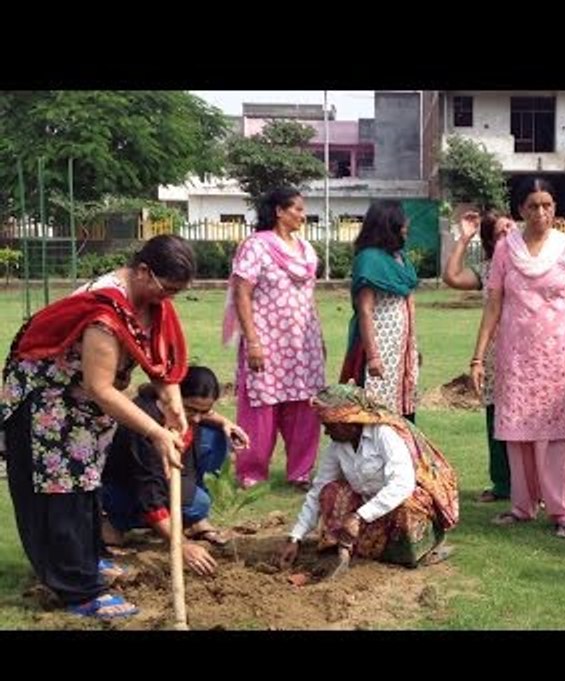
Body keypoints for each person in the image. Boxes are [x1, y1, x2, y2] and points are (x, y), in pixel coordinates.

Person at [0, 234, 193, 620]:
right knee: (60, 492)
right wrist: (155, 432)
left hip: (84, 408)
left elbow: (159, 354)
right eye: (165, 289)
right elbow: (101, 388)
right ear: (142, 271)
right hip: (49, 402)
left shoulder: (151, 299)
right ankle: (77, 587)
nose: (168, 299)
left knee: (86, 484)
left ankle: (89, 558)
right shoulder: (105, 312)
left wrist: (172, 404)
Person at [470, 177, 565, 538]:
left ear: (555, 208)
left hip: (556, 355)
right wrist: (478, 358)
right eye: (533, 206)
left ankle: (563, 511)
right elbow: (493, 305)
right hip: (516, 355)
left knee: (557, 433)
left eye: (547, 205)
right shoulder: (507, 249)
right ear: (520, 210)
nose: (541, 213)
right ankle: (522, 506)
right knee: (518, 431)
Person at [276, 384, 458, 573]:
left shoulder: (385, 435)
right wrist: (295, 537)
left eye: (330, 425)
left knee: (408, 506)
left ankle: (421, 551)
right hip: (366, 507)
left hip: (397, 506)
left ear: (350, 421)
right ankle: (351, 548)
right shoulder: (337, 447)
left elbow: (402, 485)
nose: (327, 432)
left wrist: (359, 516)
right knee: (331, 492)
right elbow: (317, 491)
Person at [99, 366, 251, 577]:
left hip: (166, 477)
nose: (197, 418)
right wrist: (181, 545)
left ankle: (177, 522)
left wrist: (224, 422)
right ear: (175, 395)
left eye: (204, 411)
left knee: (215, 438)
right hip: (127, 486)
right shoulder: (144, 426)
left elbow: (198, 415)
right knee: (194, 505)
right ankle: (114, 521)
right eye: (192, 410)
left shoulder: (175, 409)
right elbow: (149, 493)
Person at [225, 187, 326, 489]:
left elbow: (310, 297)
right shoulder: (255, 246)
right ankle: (252, 471)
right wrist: (252, 340)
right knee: (262, 406)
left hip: (302, 343)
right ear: (279, 211)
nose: (302, 215)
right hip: (266, 339)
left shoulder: (307, 250)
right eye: (296, 208)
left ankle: (301, 471)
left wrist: (318, 336)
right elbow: (242, 292)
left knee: (304, 407)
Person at [442, 209, 515, 502]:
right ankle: (503, 484)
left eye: (511, 227)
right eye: (501, 233)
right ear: (490, 242)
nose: (509, 234)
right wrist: (464, 238)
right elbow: (452, 276)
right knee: (496, 415)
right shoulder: (487, 270)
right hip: (496, 351)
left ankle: (531, 484)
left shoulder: (534, 261)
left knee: (528, 415)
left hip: (530, 350)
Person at [340, 199, 420, 421]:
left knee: (405, 408)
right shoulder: (370, 259)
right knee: (378, 412)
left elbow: (408, 300)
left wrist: (412, 347)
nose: (407, 225)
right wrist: (373, 357)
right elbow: (365, 310)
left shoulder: (400, 257)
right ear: (390, 223)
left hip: (402, 349)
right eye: (403, 220)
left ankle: (404, 456)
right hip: (380, 347)